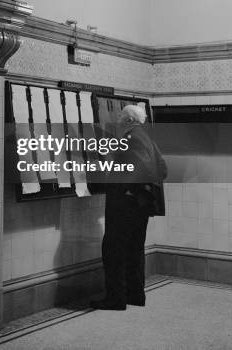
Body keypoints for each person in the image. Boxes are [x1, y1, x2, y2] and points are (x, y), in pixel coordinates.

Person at [91, 104, 167, 310]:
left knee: (113, 250)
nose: (118, 121)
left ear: (129, 120)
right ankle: (135, 295)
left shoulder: (130, 138)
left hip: (125, 206)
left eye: (121, 117)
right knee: (134, 249)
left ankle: (115, 299)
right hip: (141, 207)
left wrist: (128, 190)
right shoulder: (147, 138)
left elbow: (138, 167)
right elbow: (163, 169)